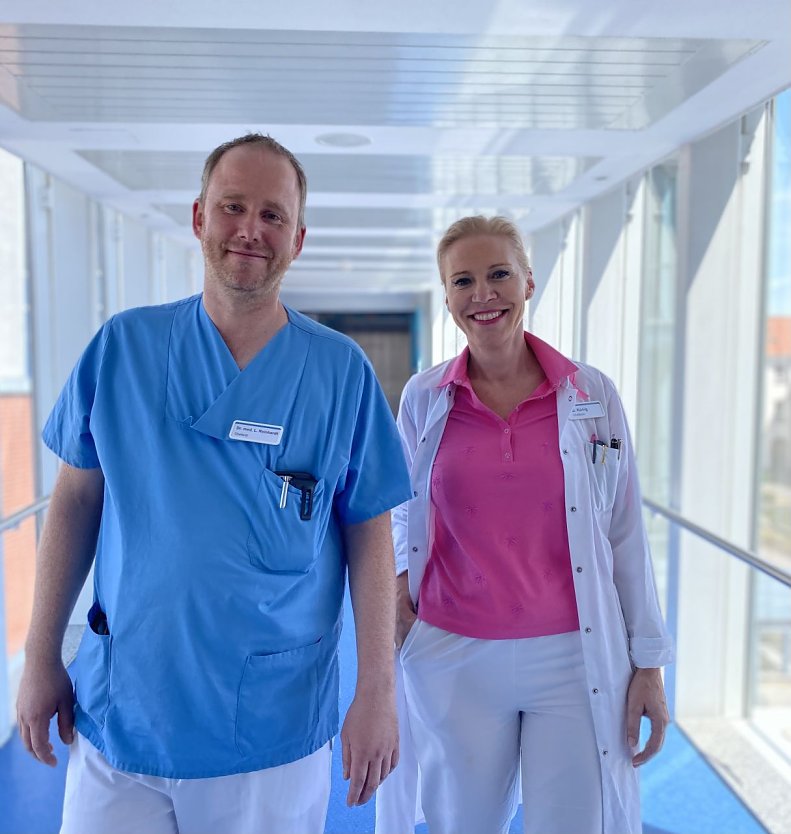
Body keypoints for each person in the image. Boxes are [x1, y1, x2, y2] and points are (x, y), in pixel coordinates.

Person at [16, 133, 412, 834]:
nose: (249, 230)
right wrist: (40, 654)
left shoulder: (338, 372)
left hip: (268, 721)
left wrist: (376, 689)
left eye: (272, 215)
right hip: (123, 711)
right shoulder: (123, 348)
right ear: (199, 217)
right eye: (233, 207)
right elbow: (75, 501)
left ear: (297, 238)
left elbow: (369, 532)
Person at [377, 216, 674, 834]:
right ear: (448, 297)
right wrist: (403, 579)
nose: (482, 294)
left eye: (498, 275)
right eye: (463, 281)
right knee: (462, 823)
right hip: (454, 651)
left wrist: (649, 664)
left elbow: (623, 530)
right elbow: (402, 501)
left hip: (573, 655)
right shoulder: (424, 396)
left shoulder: (591, 393)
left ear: (529, 281)